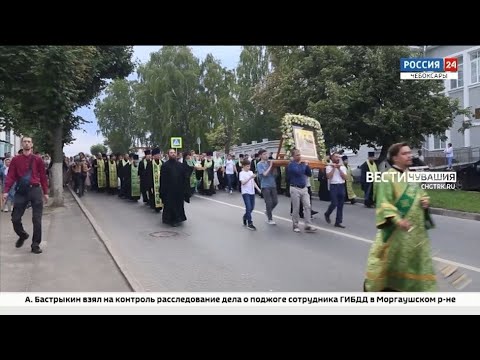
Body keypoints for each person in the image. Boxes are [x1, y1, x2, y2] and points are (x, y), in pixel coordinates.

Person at [363, 142, 436, 292]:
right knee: (389, 266)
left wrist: (425, 201)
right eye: (405, 153)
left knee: (413, 266)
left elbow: (422, 194)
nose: (410, 155)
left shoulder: (412, 176)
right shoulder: (386, 178)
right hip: (395, 233)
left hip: (415, 234)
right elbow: (384, 204)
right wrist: (397, 220)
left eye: (410, 152)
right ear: (395, 158)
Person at [2, 136, 48, 254]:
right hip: (21, 191)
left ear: (32, 144)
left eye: (29, 142)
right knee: (15, 218)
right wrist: (6, 191)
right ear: (22, 144)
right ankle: (22, 235)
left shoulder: (38, 160)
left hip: (35, 190)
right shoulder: (16, 160)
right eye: (25, 142)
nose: (27, 144)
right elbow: (11, 176)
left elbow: (43, 176)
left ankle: (35, 245)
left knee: (37, 219)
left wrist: (46, 192)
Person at [286, 149, 317, 233]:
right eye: (297, 155)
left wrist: (307, 166)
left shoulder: (303, 164)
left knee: (307, 206)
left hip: (304, 188)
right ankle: (295, 225)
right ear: (293, 156)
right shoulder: (291, 165)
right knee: (296, 208)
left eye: (299, 154)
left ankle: (308, 225)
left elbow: (309, 174)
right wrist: (305, 165)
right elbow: (298, 172)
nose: (299, 156)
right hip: (295, 188)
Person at [160, 149, 190, 227]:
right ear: (168, 154)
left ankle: (178, 218)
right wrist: (162, 191)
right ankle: (171, 219)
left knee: (179, 205)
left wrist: (185, 188)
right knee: (170, 205)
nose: (173, 154)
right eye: (171, 153)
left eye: (174, 153)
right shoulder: (165, 165)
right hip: (169, 190)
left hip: (179, 189)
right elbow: (162, 179)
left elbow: (185, 176)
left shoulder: (180, 165)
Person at [324, 152, 347, 228]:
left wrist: (339, 168)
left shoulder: (343, 167)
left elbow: (345, 178)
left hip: (341, 186)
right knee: (334, 203)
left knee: (341, 205)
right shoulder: (328, 167)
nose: (337, 158)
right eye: (336, 157)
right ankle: (327, 213)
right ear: (332, 158)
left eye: (338, 157)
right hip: (333, 186)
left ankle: (338, 222)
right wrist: (334, 168)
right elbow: (329, 177)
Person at [256, 149, 278, 225]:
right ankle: (270, 219)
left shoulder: (270, 162)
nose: (266, 155)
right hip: (265, 186)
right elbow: (264, 174)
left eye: (267, 154)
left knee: (275, 202)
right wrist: (271, 166)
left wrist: (274, 168)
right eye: (264, 154)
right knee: (268, 203)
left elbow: (275, 174)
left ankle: (267, 211)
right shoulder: (259, 164)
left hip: (273, 184)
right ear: (260, 156)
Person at [239, 159, 261, 230]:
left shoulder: (251, 172)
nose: (249, 167)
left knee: (251, 208)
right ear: (244, 166)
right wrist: (250, 177)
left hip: (252, 192)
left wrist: (258, 189)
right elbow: (243, 183)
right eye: (247, 166)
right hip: (245, 192)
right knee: (248, 207)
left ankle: (245, 217)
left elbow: (253, 182)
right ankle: (250, 223)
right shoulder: (241, 173)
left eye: (249, 166)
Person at [146, 148, 163, 213]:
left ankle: (160, 206)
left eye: (159, 154)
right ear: (153, 156)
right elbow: (148, 175)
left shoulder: (162, 163)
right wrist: (150, 185)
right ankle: (155, 207)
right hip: (153, 183)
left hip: (161, 183)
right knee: (153, 195)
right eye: (157, 154)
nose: (159, 155)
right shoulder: (150, 164)